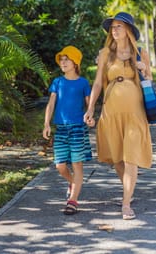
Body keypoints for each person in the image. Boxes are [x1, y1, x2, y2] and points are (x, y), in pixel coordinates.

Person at [84, 12, 152, 220]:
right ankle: (129, 192)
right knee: (117, 159)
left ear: (128, 30)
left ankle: (125, 204)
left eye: (119, 27)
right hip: (111, 112)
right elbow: (97, 83)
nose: (114, 30)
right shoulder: (105, 54)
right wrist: (90, 108)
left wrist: (143, 69)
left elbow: (150, 81)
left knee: (130, 157)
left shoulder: (140, 53)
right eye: (112, 27)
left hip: (134, 113)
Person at [43, 45, 92, 215]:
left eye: (66, 60)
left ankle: (73, 200)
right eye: (61, 60)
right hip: (61, 128)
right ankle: (73, 183)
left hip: (78, 128)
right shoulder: (57, 82)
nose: (63, 63)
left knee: (77, 164)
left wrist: (91, 117)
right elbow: (51, 104)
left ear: (75, 62)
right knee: (60, 166)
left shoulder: (83, 83)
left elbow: (89, 105)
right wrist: (46, 123)